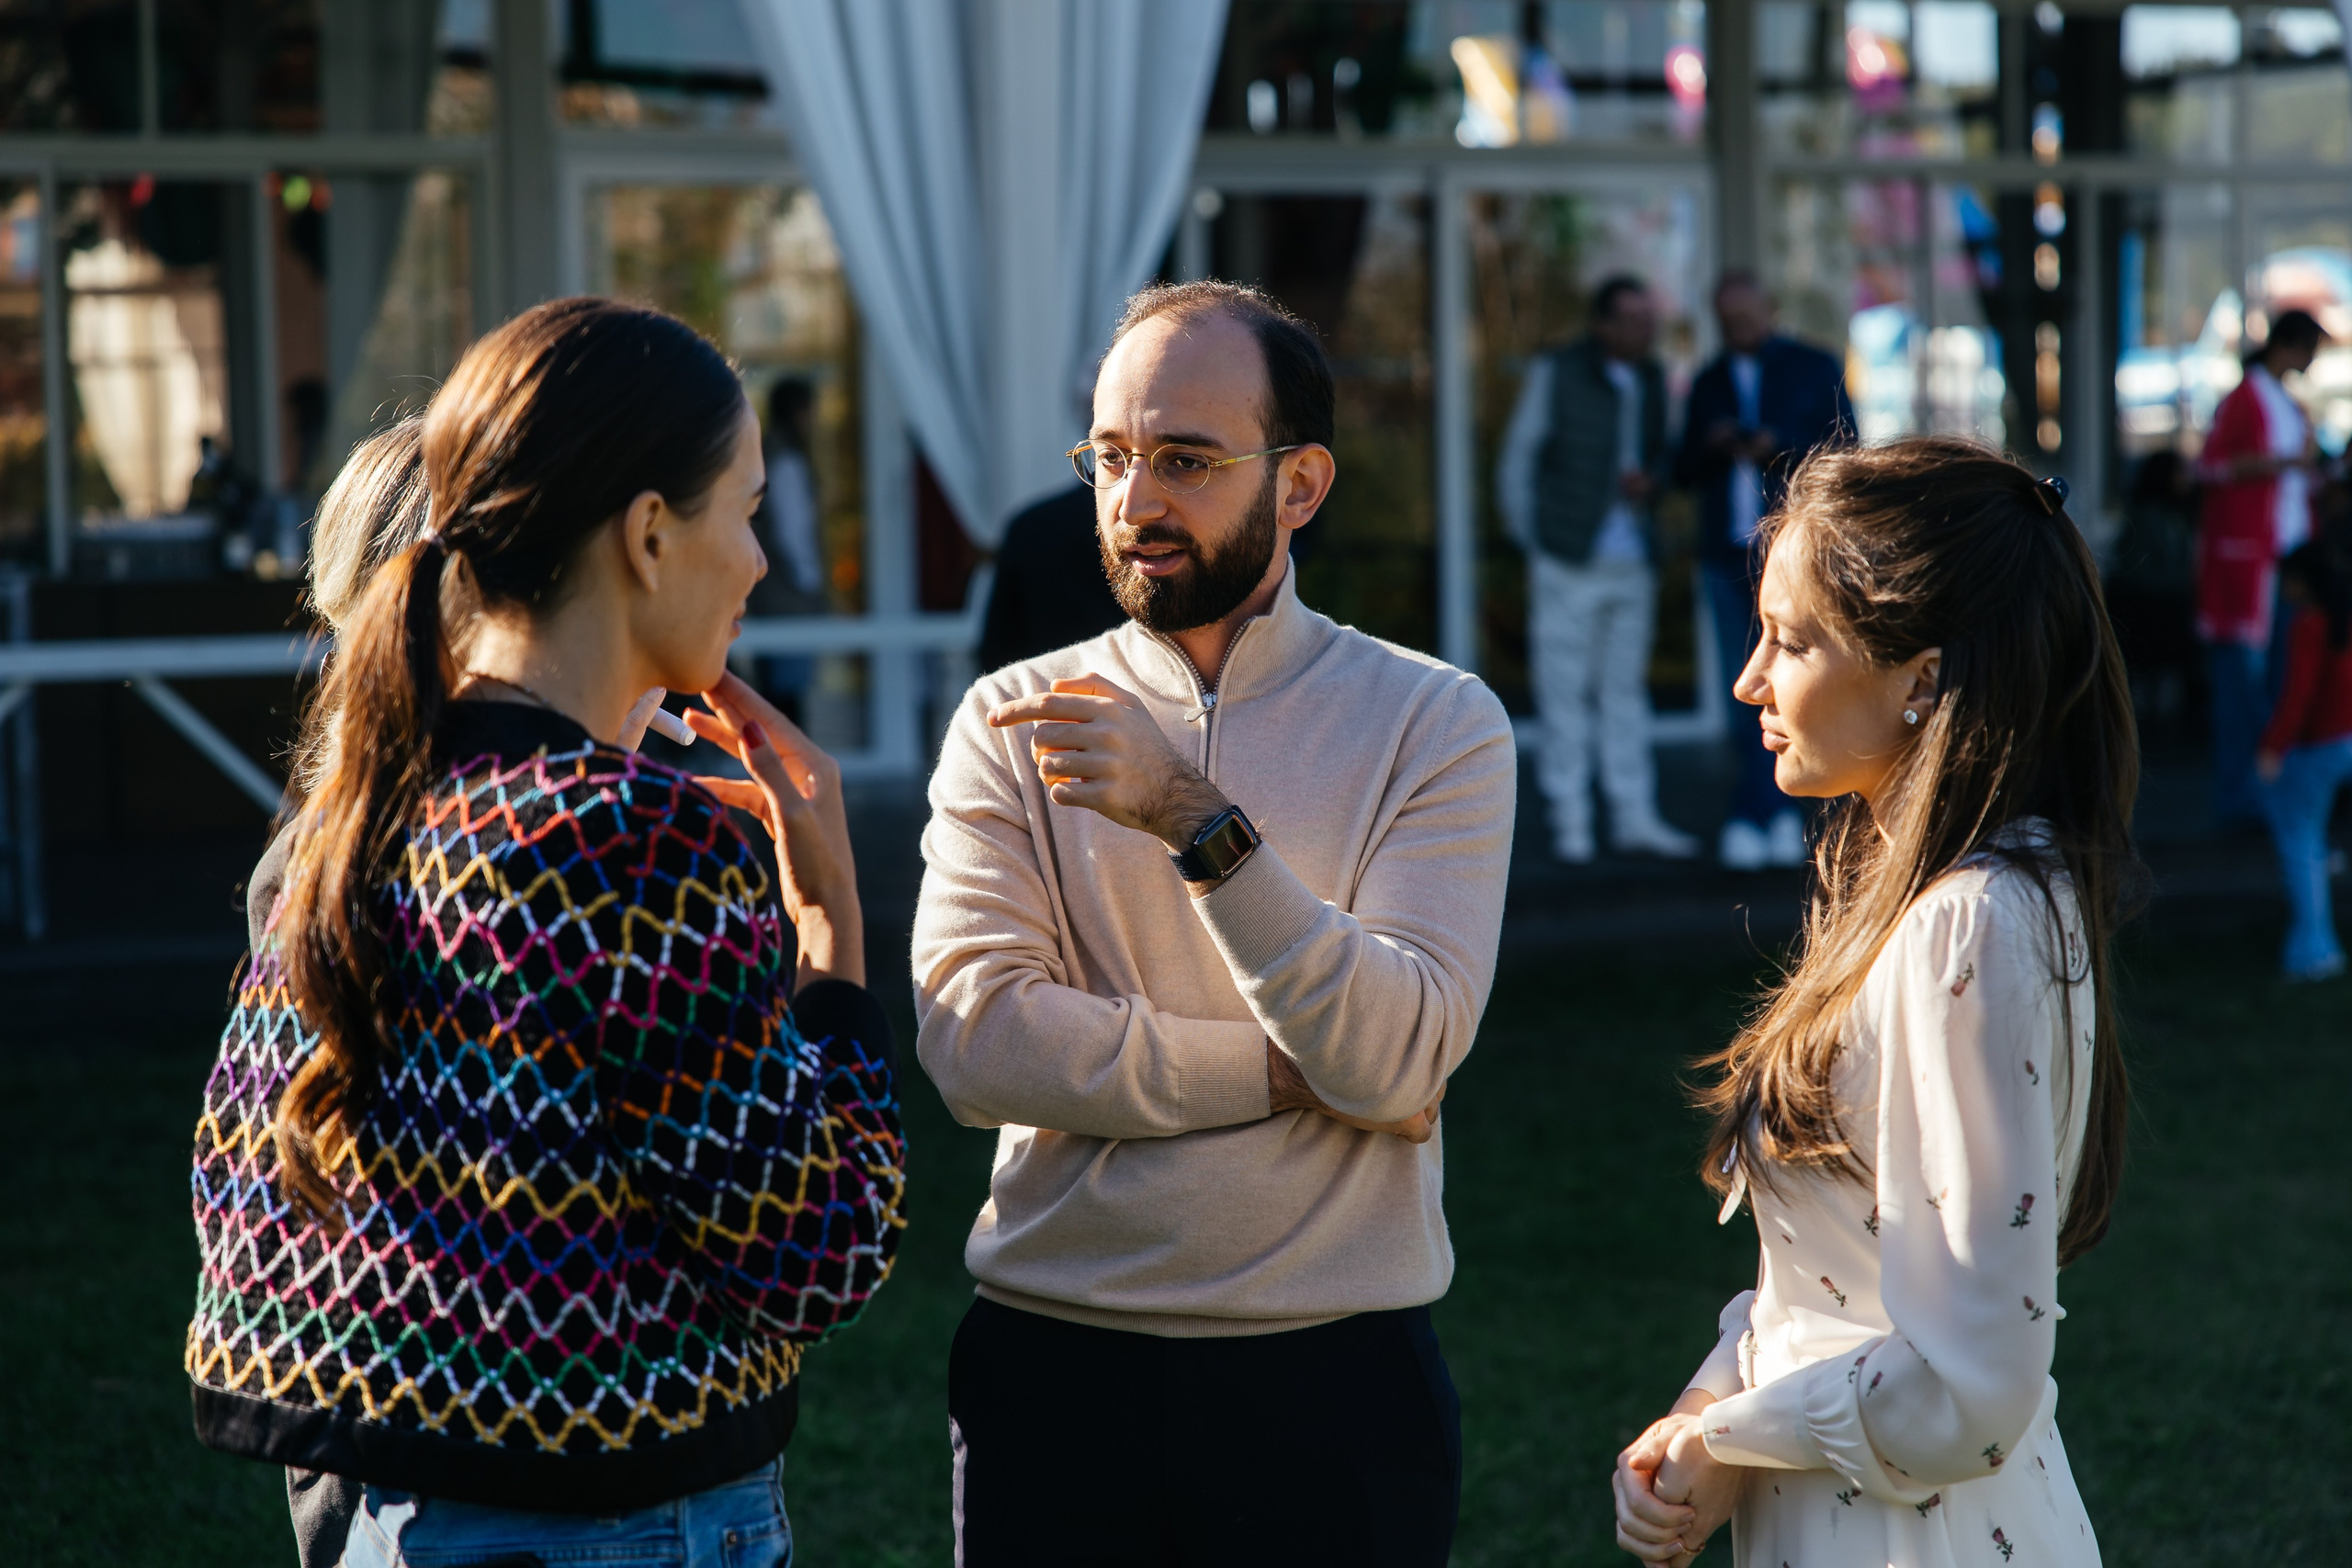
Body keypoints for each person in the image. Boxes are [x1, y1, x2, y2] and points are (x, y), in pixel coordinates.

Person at [188, 298, 907, 1568]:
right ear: (646, 533)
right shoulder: (637, 841)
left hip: (391, 1510)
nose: (755, 558)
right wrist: (833, 937)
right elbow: (818, 1249)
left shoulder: (367, 803)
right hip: (622, 1524)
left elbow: (251, 1181)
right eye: (740, 511)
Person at [914, 278, 1515, 1566]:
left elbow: (1399, 1053)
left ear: (1301, 486)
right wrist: (1295, 1072)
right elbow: (979, 1045)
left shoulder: (1437, 722)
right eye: (1112, 457)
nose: (1135, 503)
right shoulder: (1010, 719)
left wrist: (1197, 816)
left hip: (1337, 1385)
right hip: (1051, 1373)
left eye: (1185, 459)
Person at [1609, 440, 2140, 1568]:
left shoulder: (1970, 921)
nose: (1751, 679)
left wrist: (1736, 1441)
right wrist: (1704, 1415)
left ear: (1920, 679)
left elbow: (1976, 1387)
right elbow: (1822, 1279)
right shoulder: (1931, 900)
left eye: (1791, 641)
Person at [1498, 273, 1695, 863]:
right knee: (1564, 694)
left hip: (1633, 556)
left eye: (1649, 322)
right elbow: (1520, 457)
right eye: (1633, 322)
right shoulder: (1557, 372)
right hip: (1568, 556)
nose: (1644, 332)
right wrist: (1531, 537)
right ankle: (1572, 825)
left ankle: (1635, 817)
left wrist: (1653, 483)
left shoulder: (1655, 377)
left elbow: (1665, 455)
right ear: (1603, 324)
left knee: (1624, 692)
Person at [1674, 269, 1853, 870]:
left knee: (1797, 685)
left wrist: (1774, 447)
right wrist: (1715, 443)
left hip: (1795, 556)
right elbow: (1684, 469)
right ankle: (1767, 811)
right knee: (1743, 687)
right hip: (1728, 555)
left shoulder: (1812, 366)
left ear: (1770, 310)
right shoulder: (1708, 382)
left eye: (1746, 319)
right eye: (1727, 322)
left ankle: (1766, 812)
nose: (1738, 331)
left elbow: (1842, 450)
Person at [2197, 308, 2328, 828]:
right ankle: (2242, 799)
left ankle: (2269, 794)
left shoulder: (2284, 404)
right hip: (2249, 567)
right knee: (2243, 691)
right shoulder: (2245, 400)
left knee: (2280, 687)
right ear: (2291, 346)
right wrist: (2284, 464)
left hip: (2285, 564)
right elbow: (2210, 466)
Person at [2256, 538, 2352, 981]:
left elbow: (2297, 695)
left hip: (2320, 746)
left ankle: (2314, 949)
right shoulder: (2341, 621)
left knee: (2299, 843)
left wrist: (2273, 748)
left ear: (2300, 582)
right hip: (2345, 741)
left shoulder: (2308, 624)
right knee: (2309, 837)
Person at [976, 481, 1127, 671]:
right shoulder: (1145, 521)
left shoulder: (1030, 524)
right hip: (1130, 678)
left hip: (1046, 679)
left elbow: (998, 642)